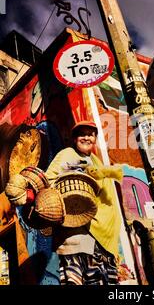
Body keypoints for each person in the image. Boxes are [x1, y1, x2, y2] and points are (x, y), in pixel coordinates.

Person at [45, 120, 122, 285]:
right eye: (82, 134)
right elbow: (49, 180)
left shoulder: (96, 162)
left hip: (103, 237)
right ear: (74, 139)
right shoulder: (68, 154)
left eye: (90, 134)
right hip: (79, 232)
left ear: (95, 138)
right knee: (78, 279)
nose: (87, 137)